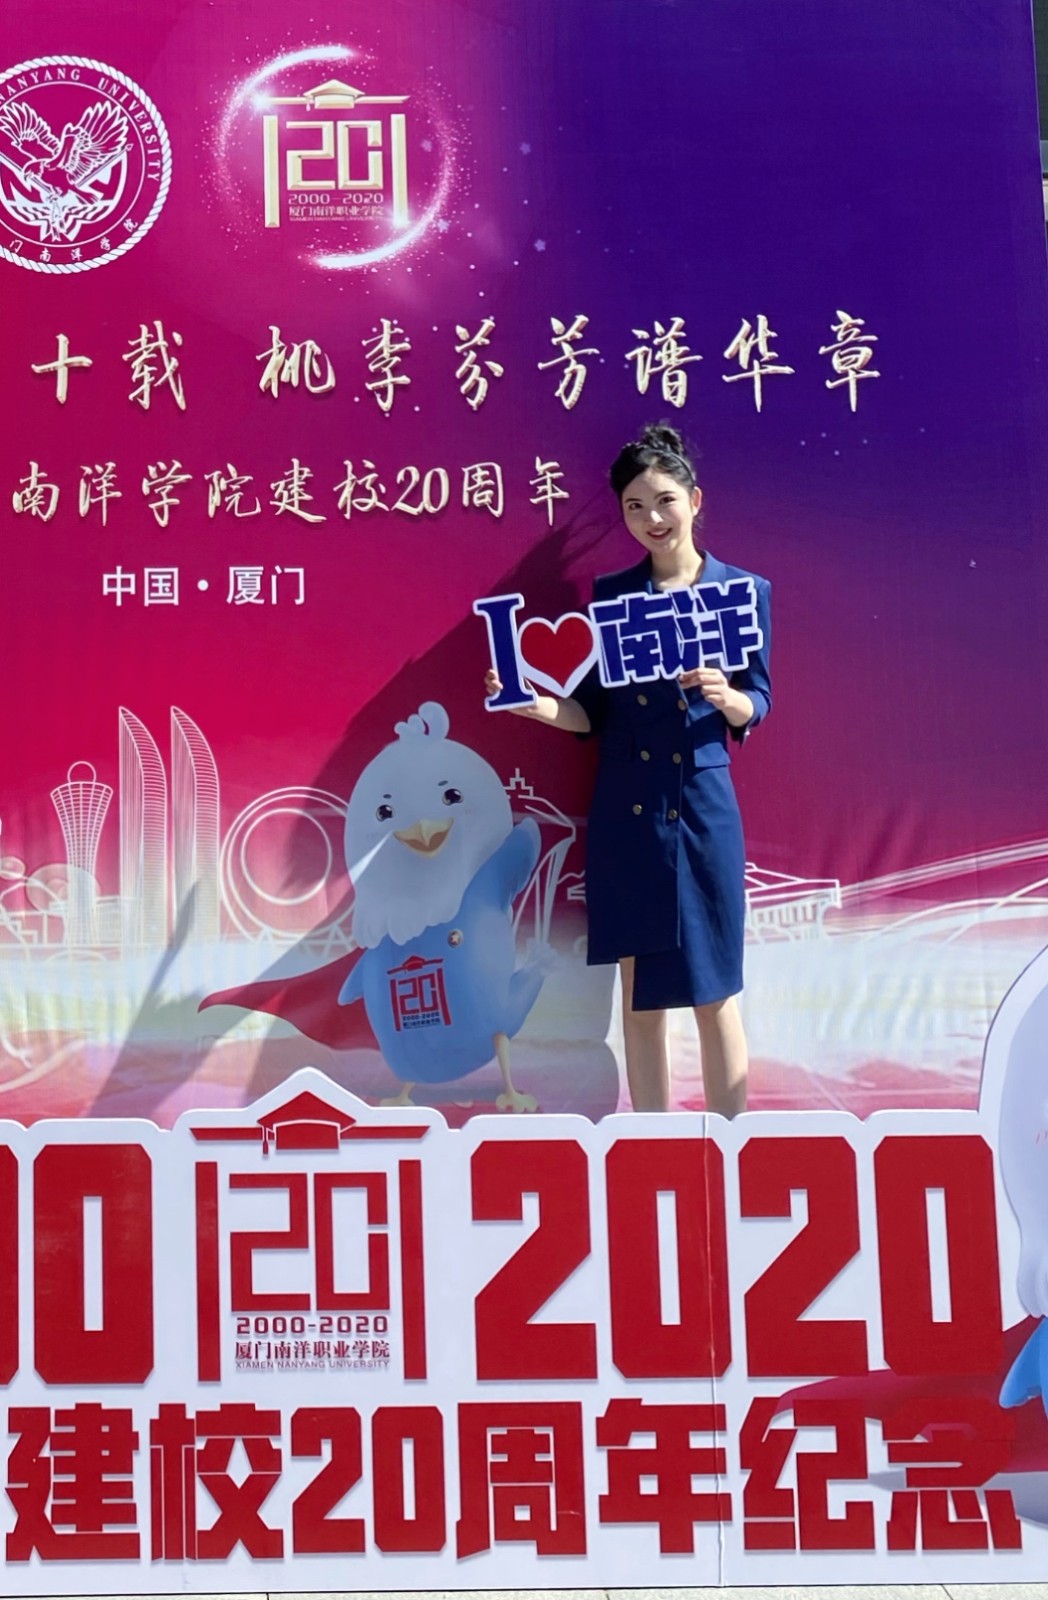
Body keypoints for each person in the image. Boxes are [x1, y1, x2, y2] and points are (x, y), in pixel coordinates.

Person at [484, 423, 771, 1116]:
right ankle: (652, 1148)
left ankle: (734, 1145)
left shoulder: (742, 591)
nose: (652, 519)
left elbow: (758, 700)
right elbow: (591, 712)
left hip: (701, 805)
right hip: (630, 812)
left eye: (665, 500)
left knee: (715, 991)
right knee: (641, 995)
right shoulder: (613, 597)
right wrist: (532, 706)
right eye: (635, 507)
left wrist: (727, 696)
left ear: (695, 501)